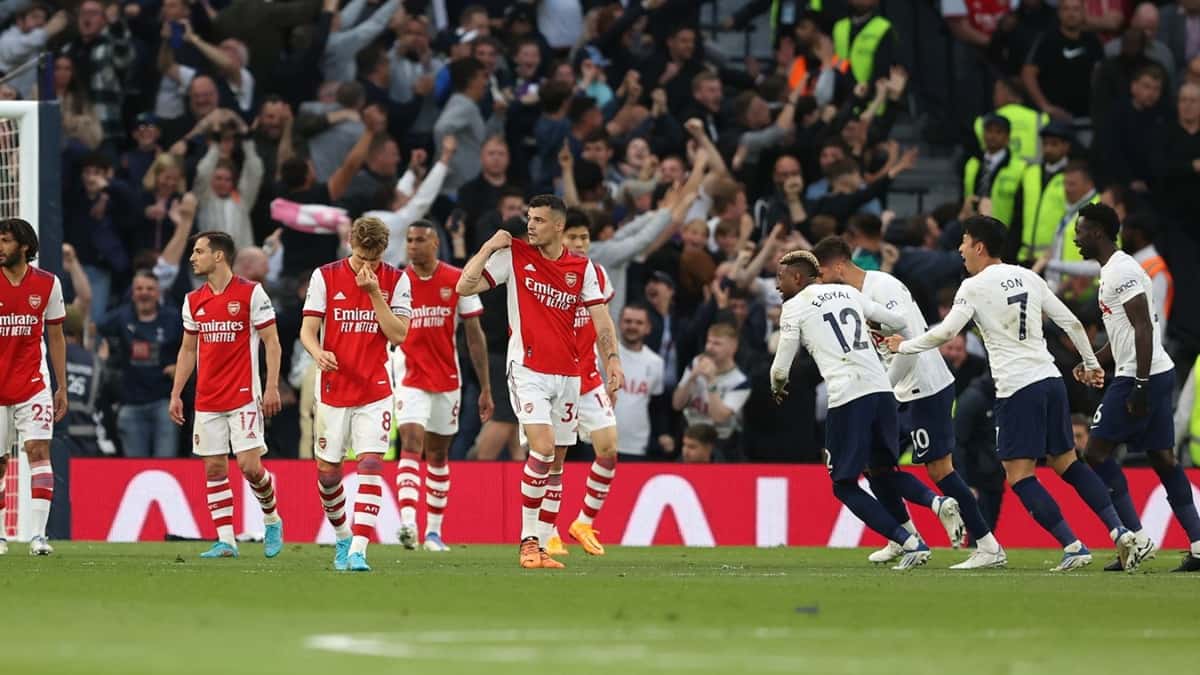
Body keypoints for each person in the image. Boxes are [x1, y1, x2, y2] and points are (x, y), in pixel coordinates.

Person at [884, 215, 1136, 572]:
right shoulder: (1030, 277)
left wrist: (905, 345)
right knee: (1067, 463)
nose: (960, 249)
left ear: (980, 246)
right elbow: (1072, 323)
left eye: (965, 241)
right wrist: (1092, 362)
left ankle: (1073, 544)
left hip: (1018, 387)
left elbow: (945, 334)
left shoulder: (972, 287)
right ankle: (1119, 529)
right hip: (1050, 379)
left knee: (1019, 474)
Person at [812, 236, 1006, 569]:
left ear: (839, 266)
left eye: (822, 273)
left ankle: (987, 545)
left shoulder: (883, 288)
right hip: (897, 390)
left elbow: (909, 344)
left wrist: (881, 390)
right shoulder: (854, 296)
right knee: (877, 467)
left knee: (939, 470)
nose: (819, 282)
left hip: (923, 386)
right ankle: (902, 537)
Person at [456, 194, 623, 570]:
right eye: (529, 219)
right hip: (527, 369)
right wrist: (486, 247)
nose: (530, 225)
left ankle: (544, 544)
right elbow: (464, 287)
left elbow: (601, 320)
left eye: (539, 220)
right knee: (543, 448)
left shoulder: (583, 269)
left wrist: (612, 359)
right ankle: (528, 541)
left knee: (557, 458)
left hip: (568, 376)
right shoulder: (515, 255)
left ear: (559, 227)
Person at [769, 249, 934, 570]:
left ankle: (909, 542)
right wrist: (879, 331)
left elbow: (780, 368)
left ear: (798, 278)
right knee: (884, 473)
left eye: (781, 278)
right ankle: (936, 502)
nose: (777, 285)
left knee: (843, 484)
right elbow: (899, 321)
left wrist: (777, 387)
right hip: (883, 392)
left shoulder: (793, 307)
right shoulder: (847, 292)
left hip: (848, 397)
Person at [1072, 203, 1198, 572]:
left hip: (1140, 376)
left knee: (1095, 453)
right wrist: (1094, 362)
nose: (1076, 239)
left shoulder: (1121, 271)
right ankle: (1199, 541)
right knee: (1162, 459)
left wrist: (1140, 385)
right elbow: (1124, 334)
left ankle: (1136, 537)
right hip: (1149, 371)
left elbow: (1144, 327)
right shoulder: (1116, 270)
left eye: (1080, 231)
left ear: (1096, 232)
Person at [301, 217, 412, 572]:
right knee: (328, 474)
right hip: (333, 387)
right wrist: (317, 352)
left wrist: (374, 293)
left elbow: (398, 336)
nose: (367, 265)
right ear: (350, 242)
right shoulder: (325, 276)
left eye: (374, 259)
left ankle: (359, 550)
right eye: (362, 257)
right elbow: (307, 330)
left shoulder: (396, 280)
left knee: (370, 464)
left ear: (384, 251)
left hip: (375, 387)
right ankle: (343, 535)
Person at [168, 232, 284, 560]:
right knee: (214, 469)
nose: (193, 257)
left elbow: (272, 342)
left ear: (219, 256)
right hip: (207, 398)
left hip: (244, 395)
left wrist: (272, 385)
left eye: (199, 251)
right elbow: (188, 349)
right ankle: (226, 541)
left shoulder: (251, 294)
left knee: (249, 466)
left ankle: (272, 518)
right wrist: (177, 393)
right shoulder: (193, 300)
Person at [392, 221, 491, 553]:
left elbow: (474, 334)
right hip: (409, 376)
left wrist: (486, 387)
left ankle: (433, 532)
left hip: (448, 378)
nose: (412, 246)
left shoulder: (456, 280)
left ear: (435, 243)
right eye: (409, 240)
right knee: (410, 441)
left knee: (437, 454)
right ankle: (408, 524)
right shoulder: (397, 282)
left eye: (419, 240)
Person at [541, 212, 619, 558]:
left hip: (587, 377)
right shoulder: (546, 274)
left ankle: (584, 521)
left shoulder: (598, 276)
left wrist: (611, 364)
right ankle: (549, 532)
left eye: (585, 238)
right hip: (552, 378)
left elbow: (602, 325)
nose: (580, 244)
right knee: (554, 460)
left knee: (609, 448)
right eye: (574, 237)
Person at [0, 219, 67, 556]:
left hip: (33, 384)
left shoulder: (48, 284)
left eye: (5, 240)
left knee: (38, 451)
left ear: (24, 246)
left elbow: (55, 336)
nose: (0, 246)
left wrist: (61, 386)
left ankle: (38, 536)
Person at [101, 270, 182, 458]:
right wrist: (100, 349)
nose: (144, 293)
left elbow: (193, 346)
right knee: (135, 467)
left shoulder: (173, 318)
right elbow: (94, 327)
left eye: (150, 289)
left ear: (158, 293)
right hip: (130, 405)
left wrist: (180, 367)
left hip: (165, 404)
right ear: (132, 292)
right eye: (139, 288)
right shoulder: (121, 317)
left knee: (166, 464)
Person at [612, 304, 666, 460]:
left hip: (635, 445)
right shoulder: (602, 353)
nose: (632, 326)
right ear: (619, 323)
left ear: (648, 328)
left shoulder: (656, 363)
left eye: (638, 322)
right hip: (599, 440)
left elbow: (656, 405)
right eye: (628, 321)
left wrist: (662, 434)